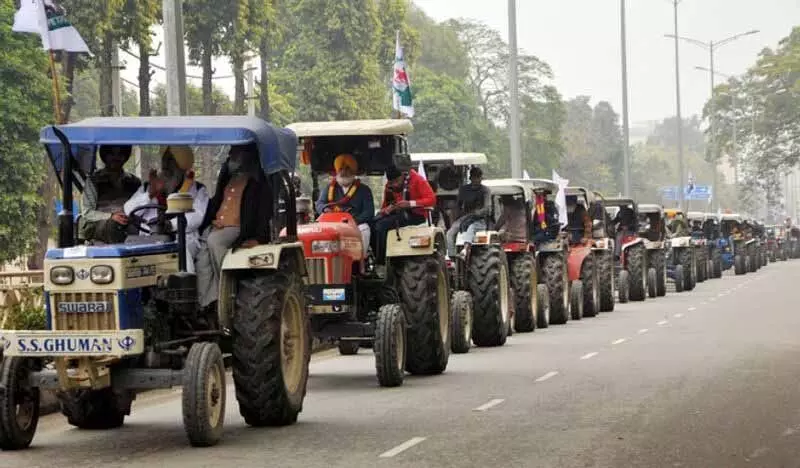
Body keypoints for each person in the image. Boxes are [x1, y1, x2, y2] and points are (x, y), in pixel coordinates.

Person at [195, 144, 272, 312]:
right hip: (219, 226)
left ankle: (227, 290)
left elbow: (263, 212)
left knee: (215, 241)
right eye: (231, 152)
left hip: (238, 228)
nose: (231, 155)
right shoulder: (227, 178)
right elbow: (216, 203)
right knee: (201, 255)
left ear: (247, 156)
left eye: (235, 152)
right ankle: (207, 301)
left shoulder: (258, 183)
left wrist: (258, 238)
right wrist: (212, 219)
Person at [123, 146, 209, 273]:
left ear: (182, 166)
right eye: (166, 160)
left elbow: (196, 217)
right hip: (148, 239)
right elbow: (128, 209)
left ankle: (184, 288)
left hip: (182, 238)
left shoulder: (197, 189)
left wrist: (170, 225)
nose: (167, 165)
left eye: (172, 161)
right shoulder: (148, 187)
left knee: (182, 256)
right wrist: (150, 194)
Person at [372, 165, 436, 264]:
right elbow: (385, 205)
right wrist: (387, 209)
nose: (395, 185)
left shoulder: (417, 179)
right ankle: (373, 256)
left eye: (396, 181)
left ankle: (381, 262)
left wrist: (410, 203)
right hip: (396, 214)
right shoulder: (389, 186)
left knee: (381, 226)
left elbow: (431, 199)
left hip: (416, 215)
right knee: (372, 223)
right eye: (392, 183)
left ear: (402, 175)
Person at [79, 145, 142, 244]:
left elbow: (142, 208)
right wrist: (111, 216)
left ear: (125, 156)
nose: (116, 158)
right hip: (101, 228)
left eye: (120, 154)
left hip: (129, 225)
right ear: (105, 156)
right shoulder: (93, 180)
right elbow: (87, 212)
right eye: (111, 154)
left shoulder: (135, 182)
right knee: (113, 225)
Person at [315, 154, 374, 256]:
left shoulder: (364, 190)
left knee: (365, 229)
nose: (343, 172)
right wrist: (325, 210)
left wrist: (354, 221)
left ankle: (360, 261)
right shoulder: (329, 187)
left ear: (353, 171)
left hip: (355, 223)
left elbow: (369, 212)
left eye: (347, 169)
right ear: (337, 171)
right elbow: (319, 204)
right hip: (332, 223)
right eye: (341, 169)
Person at [446, 167, 492, 257]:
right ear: (470, 178)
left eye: (478, 177)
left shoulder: (485, 190)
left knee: (470, 228)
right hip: (465, 218)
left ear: (481, 178)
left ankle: (465, 250)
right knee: (450, 233)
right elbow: (457, 206)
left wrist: (477, 213)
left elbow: (487, 207)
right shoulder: (464, 190)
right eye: (474, 177)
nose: (476, 180)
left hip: (479, 219)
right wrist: (454, 219)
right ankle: (451, 256)